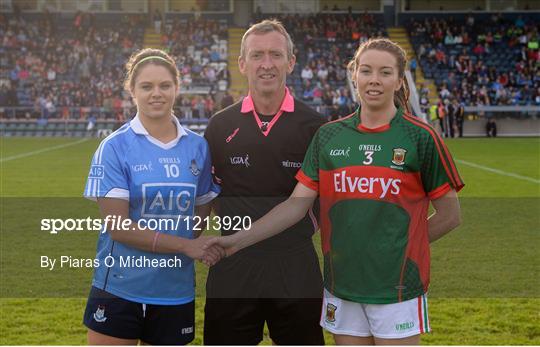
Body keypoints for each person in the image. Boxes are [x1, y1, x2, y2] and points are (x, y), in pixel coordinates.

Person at [206, 38, 464, 345]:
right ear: (353, 75)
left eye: (385, 72)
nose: (374, 80)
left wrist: (395, 249)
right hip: (342, 282)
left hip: (394, 287)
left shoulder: (420, 138)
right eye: (366, 71)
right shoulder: (329, 136)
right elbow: (294, 206)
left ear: (399, 79)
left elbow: (450, 216)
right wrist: (235, 241)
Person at [82, 48, 222, 345]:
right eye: (146, 86)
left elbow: (201, 207)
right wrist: (186, 245)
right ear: (132, 90)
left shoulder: (198, 147)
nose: (156, 93)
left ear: (177, 88)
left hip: (174, 290)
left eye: (164, 85)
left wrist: (189, 242)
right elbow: (118, 227)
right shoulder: (114, 147)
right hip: (120, 287)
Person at [202, 20, 326, 345]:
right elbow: (209, 194)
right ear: (242, 63)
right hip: (233, 264)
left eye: (275, 54)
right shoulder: (220, 125)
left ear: (291, 61)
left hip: (295, 262)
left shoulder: (314, 126)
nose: (267, 64)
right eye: (257, 55)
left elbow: (321, 205)